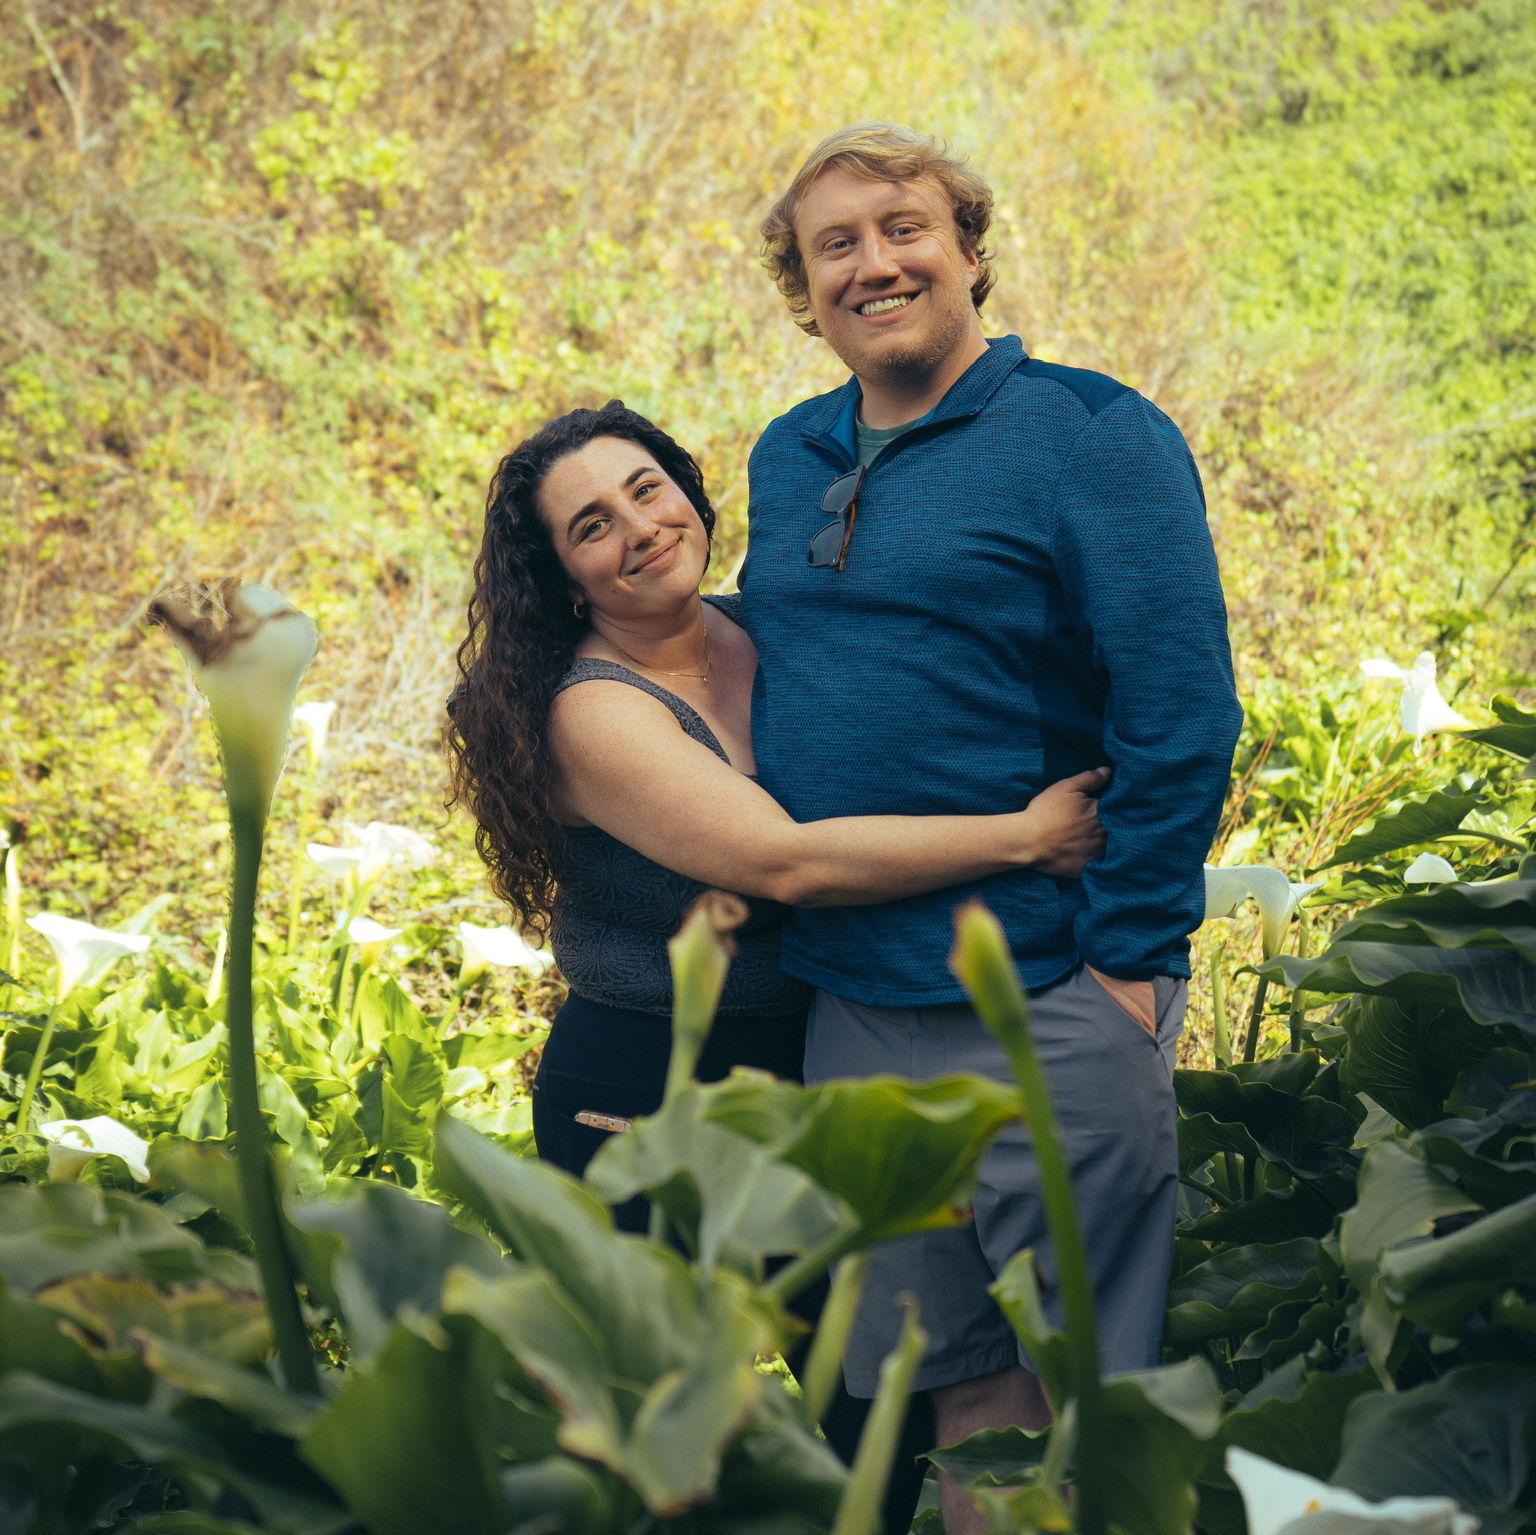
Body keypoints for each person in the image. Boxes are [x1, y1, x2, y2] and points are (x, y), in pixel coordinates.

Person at [443, 401, 1114, 1530]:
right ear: (566, 579)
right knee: (665, 1444)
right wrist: (1021, 836)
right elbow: (783, 861)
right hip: (647, 1089)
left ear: (692, 491)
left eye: (648, 488)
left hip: (808, 1062)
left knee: (890, 1408)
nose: (640, 528)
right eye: (592, 525)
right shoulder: (590, 713)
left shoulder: (766, 629)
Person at [745, 124, 1245, 1533]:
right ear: (802, 287)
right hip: (853, 1002)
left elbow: (1181, 710)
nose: (874, 262)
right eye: (833, 244)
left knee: (1088, 1402)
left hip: (1042, 990)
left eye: (904, 226)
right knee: (959, 1391)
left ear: (968, 246)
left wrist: (1130, 963)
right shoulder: (788, 455)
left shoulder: (1094, 435)